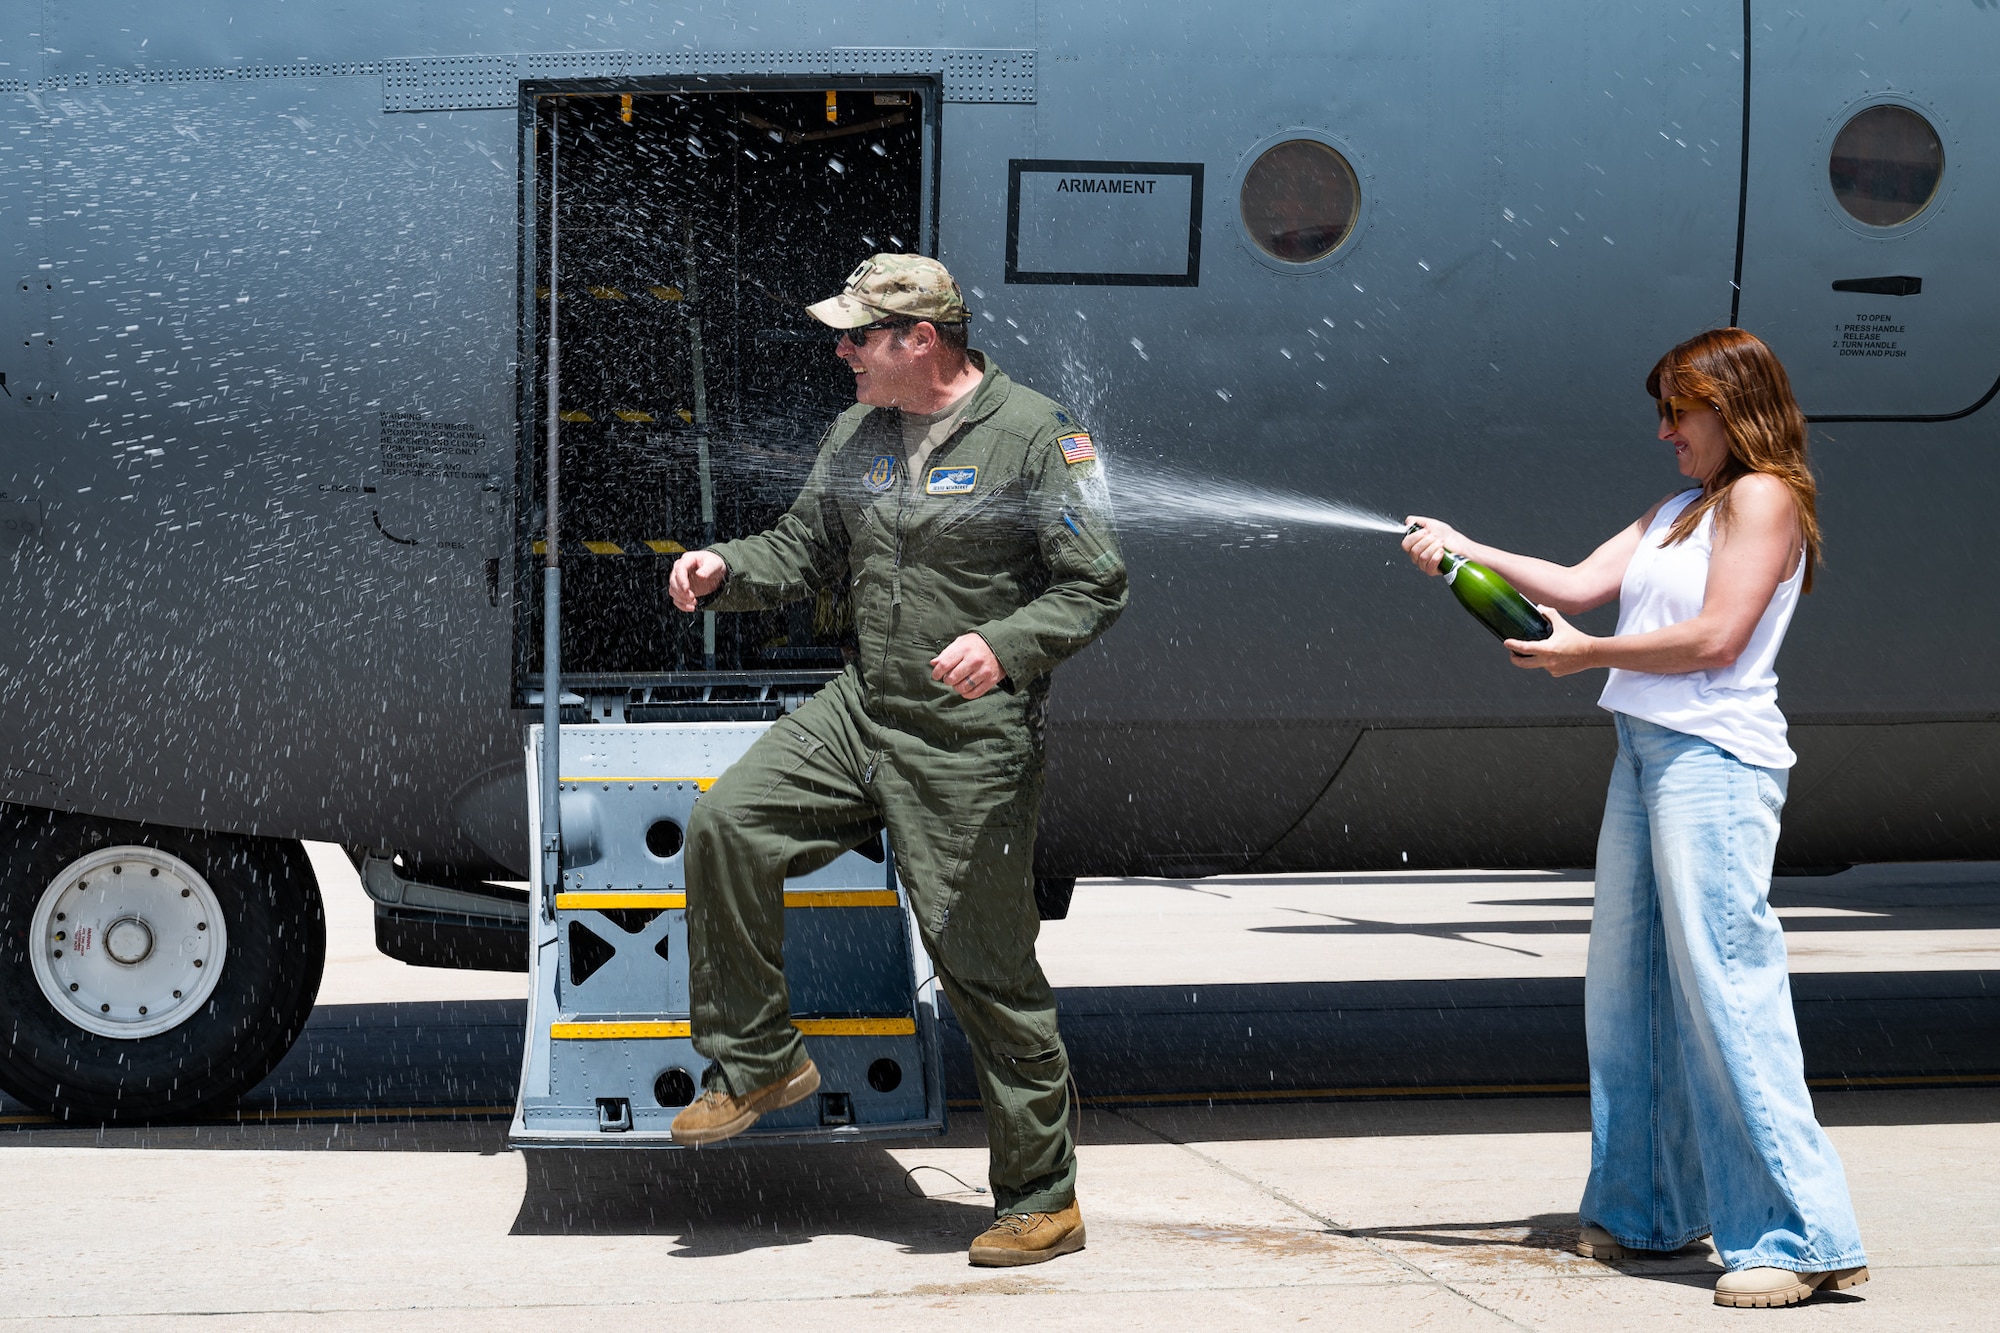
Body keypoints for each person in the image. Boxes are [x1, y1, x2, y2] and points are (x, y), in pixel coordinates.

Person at [663, 254, 1127, 1268]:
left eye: (858, 336)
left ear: (922, 340)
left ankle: (1041, 1197)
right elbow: (800, 547)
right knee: (728, 822)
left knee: (982, 967)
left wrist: (1003, 646)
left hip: (965, 744)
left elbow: (1094, 585)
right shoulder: (857, 433)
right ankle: (756, 1062)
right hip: (861, 708)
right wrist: (724, 567)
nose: (840, 352)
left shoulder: (1037, 437)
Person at [1402, 328, 1868, 1309]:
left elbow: (1715, 636)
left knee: (1723, 993)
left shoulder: (1762, 497)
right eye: (1658, 410)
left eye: (1676, 410)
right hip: (1642, 752)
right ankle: (1646, 1206)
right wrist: (1458, 550)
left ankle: (1804, 1234)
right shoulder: (1676, 510)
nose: (1662, 431)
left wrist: (1588, 657)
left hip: (1714, 762)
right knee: (1629, 991)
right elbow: (1574, 586)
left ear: (1730, 407)